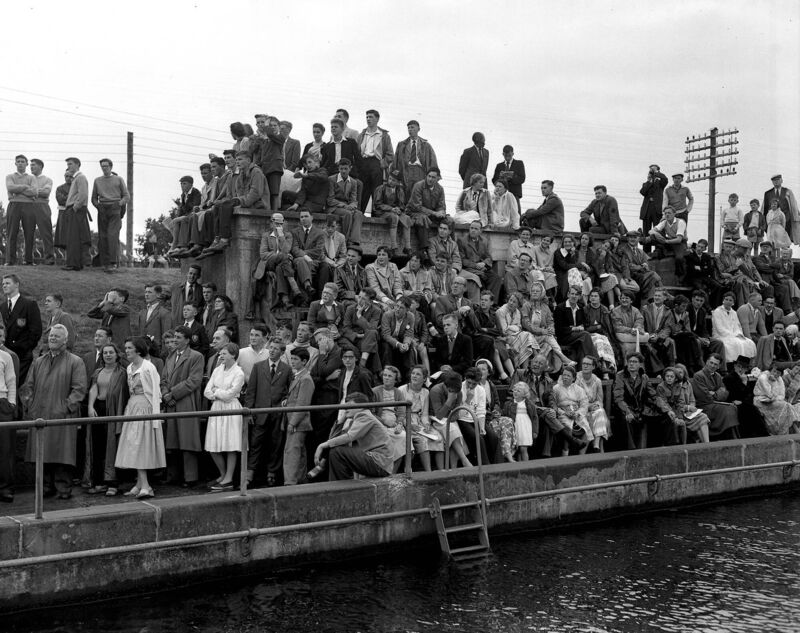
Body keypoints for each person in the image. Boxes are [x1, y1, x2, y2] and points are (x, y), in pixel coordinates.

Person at [21, 324, 87, 499]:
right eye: (51, 336)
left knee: (62, 455)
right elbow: (28, 386)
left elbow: (79, 390)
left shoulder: (75, 361)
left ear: (65, 340)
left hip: (61, 417)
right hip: (40, 415)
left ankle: (63, 489)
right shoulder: (39, 361)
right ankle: (45, 487)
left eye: (57, 336)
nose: (52, 338)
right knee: (41, 454)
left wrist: (65, 408)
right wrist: (30, 405)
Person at [115, 337, 166, 499]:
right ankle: (139, 484)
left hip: (145, 407)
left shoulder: (148, 367)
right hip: (133, 406)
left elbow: (155, 392)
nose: (127, 351)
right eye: (126, 348)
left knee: (141, 444)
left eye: (130, 348)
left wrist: (155, 415)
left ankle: (146, 485)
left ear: (138, 350)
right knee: (133, 444)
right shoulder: (130, 367)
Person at [243, 337, 292, 486]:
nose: (272, 350)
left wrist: (285, 401)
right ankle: (249, 475)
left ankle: (272, 473)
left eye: (276, 348)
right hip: (260, 413)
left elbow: (288, 391)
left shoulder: (286, 369)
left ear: (282, 352)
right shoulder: (258, 367)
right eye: (270, 347)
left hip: (277, 414)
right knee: (255, 443)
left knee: (275, 444)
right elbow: (251, 391)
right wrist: (250, 410)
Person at [160, 326, 204, 487]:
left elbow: (194, 381)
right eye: (174, 337)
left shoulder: (196, 356)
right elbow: (163, 379)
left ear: (187, 340)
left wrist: (172, 394)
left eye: (179, 337)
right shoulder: (170, 357)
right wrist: (165, 394)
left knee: (187, 440)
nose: (175, 340)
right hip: (171, 404)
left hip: (186, 402)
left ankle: (190, 477)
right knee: (172, 440)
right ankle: (173, 475)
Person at [314, 392, 393, 481]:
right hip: (376, 462)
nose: (345, 409)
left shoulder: (364, 415)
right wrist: (342, 419)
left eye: (349, 406)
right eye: (345, 406)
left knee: (337, 452)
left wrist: (321, 445)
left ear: (360, 407)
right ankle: (340, 485)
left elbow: (349, 437)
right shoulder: (356, 419)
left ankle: (339, 487)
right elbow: (334, 438)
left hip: (380, 463)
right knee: (336, 448)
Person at [86, 342, 129, 495]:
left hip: (114, 411)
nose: (108, 355)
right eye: (105, 353)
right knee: (98, 445)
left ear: (117, 354)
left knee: (112, 446)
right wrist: (90, 407)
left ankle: (113, 482)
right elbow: (93, 388)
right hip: (99, 409)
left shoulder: (122, 373)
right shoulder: (98, 372)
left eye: (111, 352)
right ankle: (98, 481)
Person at [204, 342, 245, 491]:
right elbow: (206, 391)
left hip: (231, 409)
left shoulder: (239, 373)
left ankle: (228, 479)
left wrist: (217, 392)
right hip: (217, 409)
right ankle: (223, 474)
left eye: (224, 353)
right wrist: (218, 393)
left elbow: (230, 396)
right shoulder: (217, 370)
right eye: (220, 353)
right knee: (213, 445)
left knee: (231, 445)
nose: (220, 356)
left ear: (233, 355)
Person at [611, 351, 667, 450]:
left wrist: (666, 409)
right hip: (623, 408)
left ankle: (655, 448)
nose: (631, 364)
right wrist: (627, 411)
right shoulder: (620, 375)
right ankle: (631, 451)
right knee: (627, 420)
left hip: (640, 409)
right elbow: (618, 398)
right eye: (630, 361)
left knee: (661, 415)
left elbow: (654, 395)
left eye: (635, 362)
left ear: (640, 364)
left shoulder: (644, 377)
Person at [1, 273, 43, 383]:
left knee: (12, 385)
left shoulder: (29, 304)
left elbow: (36, 330)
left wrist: (26, 347)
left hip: (21, 355)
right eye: (3, 284)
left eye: (7, 283)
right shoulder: (2, 306)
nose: (4, 286)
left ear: (16, 285)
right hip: (5, 354)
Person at [398, 365, 441, 471]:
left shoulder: (425, 392)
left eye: (418, 374)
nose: (414, 376)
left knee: (438, 438)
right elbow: (400, 413)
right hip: (404, 419)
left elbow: (425, 414)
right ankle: (411, 470)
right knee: (420, 440)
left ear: (424, 378)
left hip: (418, 420)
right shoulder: (402, 390)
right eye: (413, 373)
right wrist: (408, 424)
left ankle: (437, 471)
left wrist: (426, 424)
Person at [282, 346, 315, 486]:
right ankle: (300, 480)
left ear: (304, 361)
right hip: (295, 421)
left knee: (292, 453)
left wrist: (292, 423)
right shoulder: (299, 376)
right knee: (299, 452)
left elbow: (302, 404)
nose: (293, 362)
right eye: (292, 359)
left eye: (296, 359)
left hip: (297, 423)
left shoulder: (306, 378)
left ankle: (290, 482)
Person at [689, 353, 740, 440]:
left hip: (715, 403)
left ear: (719, 366)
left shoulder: (718, 376)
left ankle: (731, 436)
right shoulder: (698, 375)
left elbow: (725, 393)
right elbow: (704, 396)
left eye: (715, 364)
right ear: (706, 362)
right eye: (711, 362)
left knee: (733, 407)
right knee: (727, 409)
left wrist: (714, 393)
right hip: (704, 405)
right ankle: (730, 438)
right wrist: (717, 393)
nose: (712, 366)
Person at [91, 158, 130, 271]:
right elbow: (93, 198)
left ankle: (113, 262)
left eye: (106, 166)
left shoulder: (118, 179)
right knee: (102, 236)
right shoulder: (97, 180)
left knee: (112, 235)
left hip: (115, 208)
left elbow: (127, 196)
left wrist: (119, 204)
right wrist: (98, 206)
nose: (104, 168)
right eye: (102, 166)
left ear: (111, 167)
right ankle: (105, 262)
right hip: (102, 208)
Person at [427, 371, 472, 467]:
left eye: (455, 391)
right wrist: (449, 400)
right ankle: (464, 460)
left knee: (452, 431)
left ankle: (454, 468)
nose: (453, 393)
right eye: (451, 391)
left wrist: (450, 418)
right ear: (445, 386)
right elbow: (438, 415)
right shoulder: (435, 390)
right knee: (453, 431)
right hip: (435, 420)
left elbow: (456, 413)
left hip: (449, 420)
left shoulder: (458, 393)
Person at [657, 366, 711, 444]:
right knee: (677, 422)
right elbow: (662, 402)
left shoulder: (682, 385)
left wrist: (688, 409)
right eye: (667, 376)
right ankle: (683, 444)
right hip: (668, 412)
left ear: (675, 378)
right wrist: (680, 413)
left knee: (703, 417)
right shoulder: (661, 387)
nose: (669, 378)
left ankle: (706, 444)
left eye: (672, 376)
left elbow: (682, 402)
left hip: (681, 412)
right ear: (664, 377)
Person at [551, 365, 594, 455]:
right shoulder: (556, 388)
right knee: (567, 427)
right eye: (564, 375)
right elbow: (553, 405)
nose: (565, 377)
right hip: (562, 413)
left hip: (576, 413)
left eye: (568, 376)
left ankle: (582, 455)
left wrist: (577, 413)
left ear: (573, 378)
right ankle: (565, 453)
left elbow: (584, 404)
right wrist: (564, 412)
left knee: (586, 426)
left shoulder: (579, 390)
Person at [371, 365, 406, 473]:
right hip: (379, 423)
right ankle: (386, 470)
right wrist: (384, 422)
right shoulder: (375, 391)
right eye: (385, 375)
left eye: (390, 376)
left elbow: (401, 412)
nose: (386, 378)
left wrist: (400, 424)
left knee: (403, 437)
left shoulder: (398, 392)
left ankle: (393, 472)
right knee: (389, 439)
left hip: (395, 424)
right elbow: (371, 413)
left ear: (396, 379)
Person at [357, 109, 394, 211]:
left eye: (371, 117)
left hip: (377, 164)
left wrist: (382, 164)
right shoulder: (362, 134)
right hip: (364, 163)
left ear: (377, 119)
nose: (368, 119)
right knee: (363, 190)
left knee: (377, 190)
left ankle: (376, 213)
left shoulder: (384, 135)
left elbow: (390, 154)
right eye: (367, 117)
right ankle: (360, 213)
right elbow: (357, 152)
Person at [407, 167, 448, 257]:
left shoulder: (440, 189)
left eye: (433, 177)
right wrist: (434, 213)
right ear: (426, 176)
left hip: (431, 214)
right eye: (429, 176)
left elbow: (441, 205)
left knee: (450, 221)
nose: (430, 179)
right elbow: (417, 206)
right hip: (414, 212)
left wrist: (441, 212)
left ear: (438, 178)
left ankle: (449, 245)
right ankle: (424, 248)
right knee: (423, 218)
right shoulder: (419, 185)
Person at [393, 119, 438, 198]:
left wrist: (434, 176)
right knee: (406, 193)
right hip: (406, 171)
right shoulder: (401, 145)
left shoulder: (426, 145)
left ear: (418, 129)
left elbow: (432, 161)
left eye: (412, 127)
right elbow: (395, 161)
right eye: (409, 128)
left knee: (419, 193)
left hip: (420, 172)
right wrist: (396, 176)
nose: (410, 130)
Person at [5, 154, 37, 266]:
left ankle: (28, 260)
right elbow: (10, 188)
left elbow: (34, 192)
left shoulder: (32, 178)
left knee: (29, 233)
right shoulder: (9, 176)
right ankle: (10, 260)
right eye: (18, 161)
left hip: (29, 206)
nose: (20, 163)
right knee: (12, 232)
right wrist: (25, 187)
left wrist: (17, 189)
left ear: (26, 164)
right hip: (14, 205)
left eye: (22, 161)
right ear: (15, 163)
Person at [554, 286, 598, 365]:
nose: (574, 296)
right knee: (585, 335)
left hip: (577, 336)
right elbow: (558, 329)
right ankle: (595, 362)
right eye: (572, 294)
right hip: (565, 337)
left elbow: (584, 324)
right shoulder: (560, 308)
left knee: (582, 345)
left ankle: (581, 370)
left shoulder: (580, 307)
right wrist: (573, 329)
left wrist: (581, 327)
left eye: (577, 294)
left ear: (580, 296)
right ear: (568, 294)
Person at [62, 157, 91, 271]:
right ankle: (75, 264)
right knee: (73, 237)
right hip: (73, 209)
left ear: (77, 165)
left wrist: (75, 207)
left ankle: (73, 264)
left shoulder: (81, 177)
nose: (69, 166)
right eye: (68, 164)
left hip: (76, 209)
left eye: (71, 164)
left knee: (74, 237)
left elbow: (83, 195)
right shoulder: (76, 178)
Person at [496, 292, 536, 374]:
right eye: (510, 300)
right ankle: (532, 362)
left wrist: (511, 327)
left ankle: (524, 370)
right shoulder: (501, 311)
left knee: (526, 337)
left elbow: (519, 327)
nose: (511, 303)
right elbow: (504, 330)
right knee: (527, 335)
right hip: (503, 337)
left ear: (518, 304)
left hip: (514, 336)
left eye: (514, 302)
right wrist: (513, 328)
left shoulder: (517, 312)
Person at [753, 364, 800, 435]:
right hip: (761, 400)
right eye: (774, 371)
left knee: (787, 406)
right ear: (771, 370)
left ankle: (792, 431)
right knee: (786, 406)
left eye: (778, 373)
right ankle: (795, 432)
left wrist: (776, 398)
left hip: (774, 401)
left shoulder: (779, 379)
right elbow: (769, 393)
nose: (776, 374)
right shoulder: (763, 377)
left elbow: (782, 395)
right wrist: (775, 397)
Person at [575, 355, 610, 451]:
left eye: (588, 364)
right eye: (584, 363)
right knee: (600, 414)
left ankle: (596, 443)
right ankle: (596, 443)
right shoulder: (577, 379)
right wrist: (589, 407)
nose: (585, 366)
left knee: (600, 411)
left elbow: (600, 400)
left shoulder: (597, 381)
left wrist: (596, 406)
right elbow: (575, 401)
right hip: (579, 410)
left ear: (593, 367)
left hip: (592, 410)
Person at [372, 173, 412, 256]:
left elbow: (402, 204)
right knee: (394, 217)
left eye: (393, 180)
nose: (390, 181)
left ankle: (407, 247)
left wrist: (398, 209)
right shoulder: (381, 188)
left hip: (395, 211)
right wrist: (391, 209)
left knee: (407, 218)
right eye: (390, 179)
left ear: (398, 182)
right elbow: (378, 204)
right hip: (382, 212)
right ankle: (394, 247)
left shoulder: (400, 190)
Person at [325, 158, 363, 245]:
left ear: (350, 168)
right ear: (338, 168)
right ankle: (344, 240)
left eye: (346, 169)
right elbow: (330, 200)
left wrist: (352, 206)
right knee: (348, 214)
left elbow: (354, 199)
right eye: (341, 169)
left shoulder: (353, 182)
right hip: (334, 206)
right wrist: (344, 206)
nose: (343, 171)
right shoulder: (332, 179)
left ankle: (354, 240)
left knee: (358, 214)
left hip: (347, 206)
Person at [712, 292, 757, 364]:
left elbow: (737, 326)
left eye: (730, 300)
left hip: (734, 335)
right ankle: (731, 363)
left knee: (749, 342)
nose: (728, 301)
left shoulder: (734, 313)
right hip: (721, 335)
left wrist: (738, 334)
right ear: (723, 300)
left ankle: (745, 363)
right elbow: (719, 328)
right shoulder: (717, 311)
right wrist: (733, 335)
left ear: (733, 302)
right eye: (726, 299)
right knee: (734, 344)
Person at [583, 288, 618, 375]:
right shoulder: (585, 309)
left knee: (605, 341)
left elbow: (607, 327)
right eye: (591, 296)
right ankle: (604, 367)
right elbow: (584, 328)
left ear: (600, 298)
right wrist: (597, 327)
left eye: (595, 296)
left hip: (603, 335)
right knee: (599, 341)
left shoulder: (604, 309)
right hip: (589, 335)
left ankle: (610, 365)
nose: (593, 298)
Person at [646, 206, 687, 278]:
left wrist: (665, 241)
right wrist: (656, 234)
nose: (667, 215)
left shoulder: (680, 222)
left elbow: (679, 239)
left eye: (669, 213)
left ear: (674, 214)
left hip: (679, 243)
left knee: (679, 258)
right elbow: (651, 231)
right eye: (665, 213)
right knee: (653, 236)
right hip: (668, 241)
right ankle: (643, 240)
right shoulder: (664, 222)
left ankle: (680, 275)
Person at [501, 381, 538, 461]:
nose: (515, 392)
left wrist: (535, 431)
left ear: (524, 393)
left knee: (523, 449)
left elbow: (535, 417)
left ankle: (526, 467)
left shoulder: (529, 404)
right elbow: (504, 415)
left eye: (518, 391)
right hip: (515, 426)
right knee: (517, 449)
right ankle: (519, 468)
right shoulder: (508, 404)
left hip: (525, 427)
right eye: (515, 390)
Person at [0, 338, 16, 503]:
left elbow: (11, 381)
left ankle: (5, 488)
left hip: (2, 403)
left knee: (5, 449)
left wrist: (11, 404)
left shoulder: (6, 357)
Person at [763, 174, 800, 244]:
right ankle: (774, 254)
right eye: (774, 181)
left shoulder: (787, 191)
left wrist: (796, 217)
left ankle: (785, 254)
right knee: (772, 241)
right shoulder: (767, 193)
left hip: (786, 220)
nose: (776, 182)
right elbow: (765, 209)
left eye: (778, 180)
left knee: (785, 241)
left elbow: (793, 205)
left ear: (781, 180)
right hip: (773, 221)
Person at [639, 164, 668, 250]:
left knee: (658, 231)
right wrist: (649, 181)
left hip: (657, 209)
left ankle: (659, 250)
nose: (651, 171)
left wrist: (656, 173)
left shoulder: (660, 183)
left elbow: (665, 179)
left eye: (653, 169)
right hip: (647, 209)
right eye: (650, 170)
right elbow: (643, 192)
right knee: (646, 232)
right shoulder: (646, 183)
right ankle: (646, 253)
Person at [317, 217, 348, 292]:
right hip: (324, 261)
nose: (330, 229)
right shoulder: (320, 235)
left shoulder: (341, 237)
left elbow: (343, 255)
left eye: (333, 226)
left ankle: (339, 295)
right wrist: (332, 263)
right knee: (325, 268)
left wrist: (338, 264)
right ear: (325, 225)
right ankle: (322, 294)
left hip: (337, 263)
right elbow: (320, 255)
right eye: (328, 226)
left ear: (337, 226)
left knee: (344, 268)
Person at [492, 144, 526, 210]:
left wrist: (511, 177)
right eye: (505, 155)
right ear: (503, 154)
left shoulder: (519, 163)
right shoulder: (499, 166)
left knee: (515, 213)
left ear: (513, 153)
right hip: (501, 194)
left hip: (514, 194)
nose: (507, 157)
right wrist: (501, 180)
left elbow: (522, 178)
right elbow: (494, 180)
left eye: (509, 155)